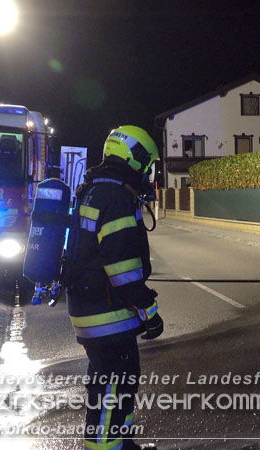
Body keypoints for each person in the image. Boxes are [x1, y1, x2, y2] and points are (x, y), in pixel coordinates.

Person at [67, 125, 162, 450]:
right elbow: (122, 267)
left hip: (92, 307)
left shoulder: (93, 188)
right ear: (133, 159)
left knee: (121, 379)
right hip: (107, 312)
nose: (148, 172)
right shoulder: (116, 197)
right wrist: (149, 310)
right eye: (147, 163)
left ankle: (122, 442)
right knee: (111, 386)